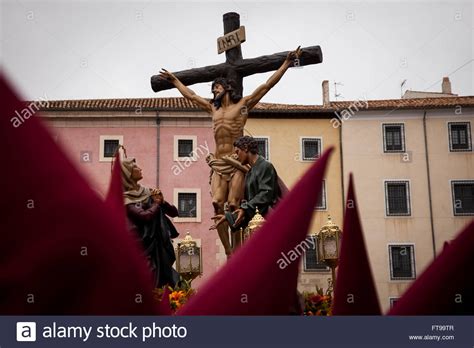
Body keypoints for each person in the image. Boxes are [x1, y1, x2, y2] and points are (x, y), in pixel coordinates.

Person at [159, 47, 302, 256]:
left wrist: (286, 64)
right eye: (213, 88)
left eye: (216, 87)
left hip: (237, 163)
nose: (214, 90)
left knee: (234, 204)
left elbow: (266, 86)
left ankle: (237, 249)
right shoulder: (213, 109)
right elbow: (191, 95)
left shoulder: (242, 106)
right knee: (217, 204)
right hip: (218, 163)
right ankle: (228, 251)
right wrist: (174, 81)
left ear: (226, 87)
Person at [120, 155, 179, 288]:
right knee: (147, 275)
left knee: (160, 276)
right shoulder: (126, 199)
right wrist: (157, 203)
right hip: (140, 245)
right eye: (135, 167)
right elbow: (144, 216)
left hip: (156, 244)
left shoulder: (148, 192)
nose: (140, 169)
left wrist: (162, 201)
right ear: (128, 173)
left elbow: (174, 213)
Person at [234, 136, 281, 228]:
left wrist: (245, 208)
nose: (236, 156)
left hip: (269, 221)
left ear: (246, 148)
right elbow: (248, 201)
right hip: (255, 223)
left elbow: (265, 193)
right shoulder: (249, 173)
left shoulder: (265, 166)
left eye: (237, 152)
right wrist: (229, 217)